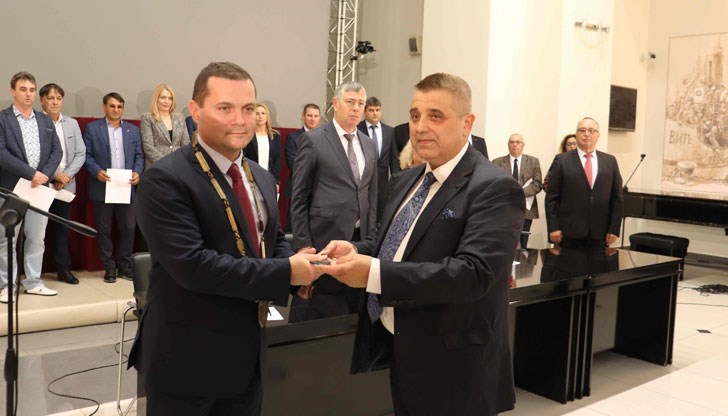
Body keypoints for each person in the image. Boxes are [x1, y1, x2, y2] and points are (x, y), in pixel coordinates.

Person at [318, 73, 522, 415]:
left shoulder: (494, 187)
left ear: (467, 123)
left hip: (457, 364)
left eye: (435, 116)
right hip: (404, 347)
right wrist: (357, 251)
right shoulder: (408, 179)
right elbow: (394, 243)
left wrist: (374, 274)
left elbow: (472, 274)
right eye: (415, 116)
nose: (421, 127)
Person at [128, 61, 322, 416]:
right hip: (187, 361)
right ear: (195, 111)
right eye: (225, 108)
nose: (240, 119)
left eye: (248, 108)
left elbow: (271, 240)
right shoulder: (165, 179)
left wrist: (302, 268)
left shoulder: (261, 177)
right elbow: (194, 266)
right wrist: (286, 272)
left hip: (247, 358)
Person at [290, 81, 378, 321]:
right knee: (319, 313)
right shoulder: (314, 140)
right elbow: (299, 196)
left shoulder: (369, 144)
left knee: (353, 315)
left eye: (361, 103)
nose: (356, 108)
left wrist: (372, 238)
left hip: (360, 241)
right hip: (323, 238)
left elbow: (371, 195)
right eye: (350, 102)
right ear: (335, 103)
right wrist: (303, 244)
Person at [0, 72, 62, 302]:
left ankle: (34, 282)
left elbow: (56, 150)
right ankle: (7, 285)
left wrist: (43, 175)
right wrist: (31, 173)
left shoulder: (44, 120)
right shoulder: (3, 119)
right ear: (13, 91)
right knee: (7, 238)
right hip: (12, 187)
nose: (28, 94)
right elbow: (1, 153)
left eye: (32, 90)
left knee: (36, 237)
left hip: (39, 188)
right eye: (23, 89)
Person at [83, 92, 144, 283]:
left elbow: (139, 156)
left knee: (129, 227)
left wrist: (138, 172)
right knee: (104, 228)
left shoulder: (133, 130)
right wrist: (97, 171)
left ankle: (124, 266)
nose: (116, 110)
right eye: (112, 106)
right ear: (104, 107)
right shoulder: (93, 128)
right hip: (103, 185)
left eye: (119, 106)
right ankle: (109, 267)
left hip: (126, 185)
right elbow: (86, 156)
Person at [546, 117, 623, 248]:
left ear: (598, 135)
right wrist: (553, 227)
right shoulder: (562, 160)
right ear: (576, 134)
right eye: (582, 130)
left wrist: (614, 228)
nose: (586, 134)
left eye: (591, 131)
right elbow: (551, 197)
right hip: (569, 231)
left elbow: (617, 198)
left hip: (601, 232)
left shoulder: (610, 161)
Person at [40, 83, 86, 284]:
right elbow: (35, 156)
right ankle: (32, 275)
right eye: (51, 98)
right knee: (35, 231)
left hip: (66, 185)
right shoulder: (36, 121)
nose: (55, 102)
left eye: (58, 98)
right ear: (42, 100)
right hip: (41, 183)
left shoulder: (71, 123)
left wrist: (66, 175)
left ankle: (63, 270)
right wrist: (54, 175)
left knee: (62, 230)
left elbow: (80, 153)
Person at [492, 133, 542, 249]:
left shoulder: (533, 161)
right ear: (508, 145)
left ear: (523, 145)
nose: (515, 145)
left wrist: (519, 194)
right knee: (504, 243)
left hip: (526, 209)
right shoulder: (497, 162)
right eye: (512, 142)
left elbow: (538, 184)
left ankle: (522, 260)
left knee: (523, 243)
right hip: (504, 209)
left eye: (518, 142)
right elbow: (494, 184)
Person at [357, 96, 400, 221]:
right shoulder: (357, 129)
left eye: (377, 110)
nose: (375, 113)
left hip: (382, 182)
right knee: (363, 214)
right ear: (364, 112)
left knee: (381, 215)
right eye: (371, 110)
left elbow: (393, 158)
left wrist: (395, 181)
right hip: (362, 181)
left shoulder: (389, 131)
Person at [283, 103, 320, 231]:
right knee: (295, 228)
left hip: (320, 190)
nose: (313, 119)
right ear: (303, 116)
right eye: (309, 115)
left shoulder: (326, 138)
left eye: (316, 116)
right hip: (298, 188)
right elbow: (293, 164)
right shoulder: (293, 137)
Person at [140, 84, 189, 170]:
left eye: (170, 98)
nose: (167, 101)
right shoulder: (148, 118)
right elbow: (148, 147)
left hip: (178, 166)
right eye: (163, 97)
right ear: (156, 99)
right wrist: (167, 163)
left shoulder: (180, 118)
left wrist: (179, 163)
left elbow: (186, 144)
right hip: (156, 167)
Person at [244, 103, 282, 187]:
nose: (260, 116)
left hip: (269, 178)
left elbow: (277, 160)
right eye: (257, 114)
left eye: (263, 113)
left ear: (267, 116)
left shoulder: (275, 136)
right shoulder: (248, 135)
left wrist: (276, 181)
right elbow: (244, 158)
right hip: (252, 178)